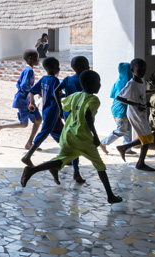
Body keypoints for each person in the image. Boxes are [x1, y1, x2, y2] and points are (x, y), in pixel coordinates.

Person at [20, 70, 122, 204]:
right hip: (82, 138)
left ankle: (33, 170)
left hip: (68, 134)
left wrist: (62, 112)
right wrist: (96, 137)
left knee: (62, 159)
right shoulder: (94, 100)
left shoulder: (75, 95)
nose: (100, 85)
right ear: (92, 85)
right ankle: (110, 196)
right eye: (98, 83)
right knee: (100, 165)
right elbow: (87, 116)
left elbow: (66, 107)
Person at [22, 57, 85, 183]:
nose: (59, 68)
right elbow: (57, 93)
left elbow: (32, 91)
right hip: (53, 110)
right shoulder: (55, 80)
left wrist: (32, 102)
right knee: (45, 132)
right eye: (58, 66)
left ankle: (67, 157)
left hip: (47, 110)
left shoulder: (44, 79)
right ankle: (28, 155)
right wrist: (61, 107)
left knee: (60, 134)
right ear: (54, 68)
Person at [116, 58, 155, 171]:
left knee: (148, 137)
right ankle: (140, 163)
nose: (142, 72)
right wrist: (135, 104)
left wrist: (153, 91)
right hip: (134, 113)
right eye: (139, 70)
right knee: (146, 138)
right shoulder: (131, 84)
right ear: (132, 70)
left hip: (141, 112)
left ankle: (124, 147)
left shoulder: (141, 81)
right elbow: (119, 97)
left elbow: (142, 93)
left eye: (144, 70)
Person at [0, 50, 42, 149]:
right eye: (36, 57)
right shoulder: (29, 70)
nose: (38, 59)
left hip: (28, 99)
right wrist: (35, 91)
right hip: (23, 100)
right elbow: (24, 86)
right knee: (24, 124)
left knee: (38, 119)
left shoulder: (28, 69)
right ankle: (0, 126)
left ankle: (29, 143)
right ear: (30, 59)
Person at [99, 62, 135, 155]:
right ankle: (103, 142)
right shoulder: (127, 83)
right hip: (121, 110)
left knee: (128, 129)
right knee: (122, 130)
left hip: (119, 109)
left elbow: (112, 95)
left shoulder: (118, 82)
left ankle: (127, 148)